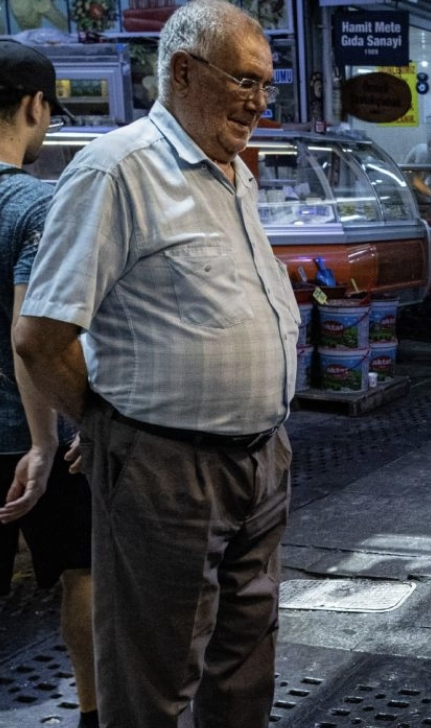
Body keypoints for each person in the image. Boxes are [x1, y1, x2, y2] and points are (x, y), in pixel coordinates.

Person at [14, 2, 299, 725]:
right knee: (153, 683)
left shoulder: (235, 175)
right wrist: (112, 431)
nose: (260, 104)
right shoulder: (118, 171)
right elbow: (41, 336)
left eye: (268, 87)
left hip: (260, 463)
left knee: (243, 676)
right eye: (245, 83)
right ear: (182, 71)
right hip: (167, 472)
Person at [0, 40, 98, 728]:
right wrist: (47, 439)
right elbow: (31, 335)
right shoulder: (37, 202)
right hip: (26, 438)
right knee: (84, 572)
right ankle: (96, 713)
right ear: (35, 105)